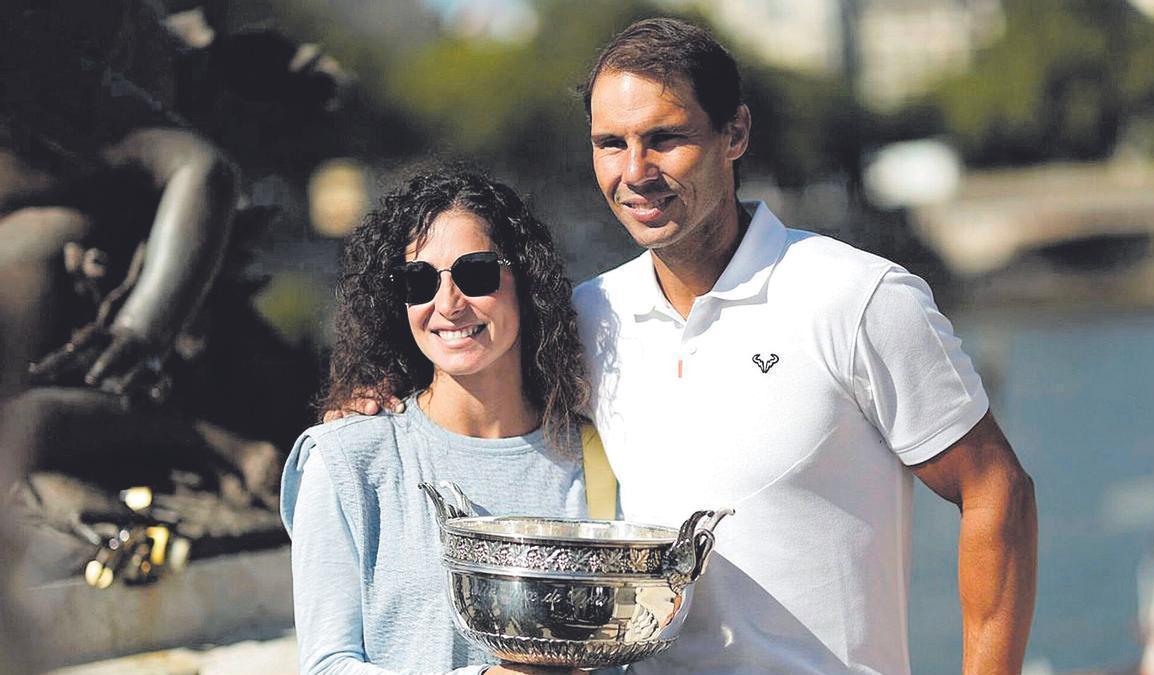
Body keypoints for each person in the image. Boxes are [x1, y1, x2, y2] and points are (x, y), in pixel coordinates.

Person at [333, 17, 1038, 674]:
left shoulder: (859, 297)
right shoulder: (585, 316)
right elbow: (475, 390)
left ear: (735, 133)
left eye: (665, 138)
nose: (635, 171)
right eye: (611, 143)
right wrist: (379, 400)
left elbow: (995, 489)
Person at [281, 168, 595, 674]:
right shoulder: (346, 460)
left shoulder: (596, 458)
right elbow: (328, 666)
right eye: (418, 281)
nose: (447, 304)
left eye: (476, 274)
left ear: (525, 278)